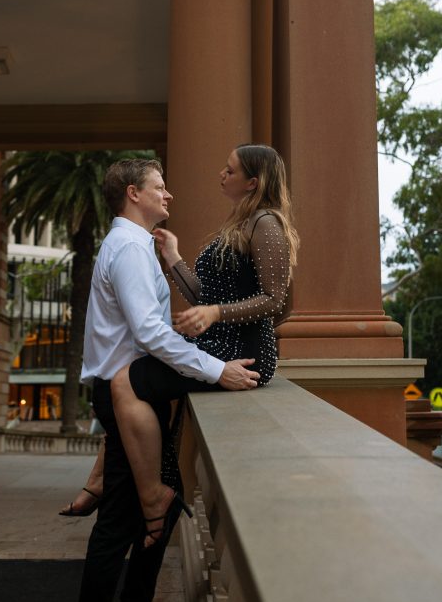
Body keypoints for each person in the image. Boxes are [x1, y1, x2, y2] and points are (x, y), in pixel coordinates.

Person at [73, 157, 260, 602]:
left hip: (136, 395)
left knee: (146, 513)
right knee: (119, 526)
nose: (169, 194)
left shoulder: (136, 245)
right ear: (134, 193)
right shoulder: (129, 248)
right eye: (159, 187)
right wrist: (215, 368)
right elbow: (152, 334)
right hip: (124, 397)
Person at [104, 144, 298, 545]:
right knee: (135, 385)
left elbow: (274, 300)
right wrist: (174, 258)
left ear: (252, 182)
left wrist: (215, 315)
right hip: (217, 348)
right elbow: (204, 295)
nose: (221, 175)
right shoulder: (239, 222)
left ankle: (142, 493)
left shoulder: (266, 223)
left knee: (127, 381)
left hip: (243, 355)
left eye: (230, 171)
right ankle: (135, 488)